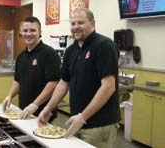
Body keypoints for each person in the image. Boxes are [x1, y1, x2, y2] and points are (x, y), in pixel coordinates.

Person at [38, 8, 121, 148]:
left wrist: (83, 117)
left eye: (80, 22)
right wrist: (48, 108)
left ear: (92, 23)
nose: (75, 27)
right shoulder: (71, 50)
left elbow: (108, 86)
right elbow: (64, 82)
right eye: (73, 23)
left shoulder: (104, 45)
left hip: (99, 124)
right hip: (75, 120)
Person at [2, 16, 61, 121]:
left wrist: (35, 104)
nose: (28, 34)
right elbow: (18, 80)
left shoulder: (49, 54)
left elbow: (53, 83)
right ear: (21, 32)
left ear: (40, 32)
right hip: (24, 110)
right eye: (25, 30)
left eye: (33, 30)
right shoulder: (21, 56)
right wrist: (10, 95)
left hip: (43, 113)